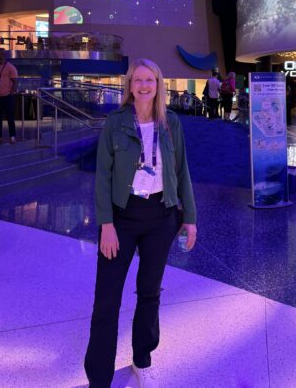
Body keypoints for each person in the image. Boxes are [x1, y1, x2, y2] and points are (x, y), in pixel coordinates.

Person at [85, 59, 197, 388]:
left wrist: (189, 217)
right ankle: (99, 378)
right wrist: (106, 224)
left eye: (150, 79)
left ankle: (142, 359)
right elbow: (102, 177)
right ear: (130, 85)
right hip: (122, 217)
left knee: (149, 292)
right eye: (138, 80)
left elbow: (182, 171)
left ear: (159, 84)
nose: (144, 85)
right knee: (107, 299)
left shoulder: (171, 123)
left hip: (162, 216)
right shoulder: (115, 122)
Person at [0, 48, 18, 144]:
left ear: (3, 55)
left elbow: (15, 82)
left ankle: (12, 136)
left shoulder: (10, 67)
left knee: (10, 117)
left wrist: (11, 93)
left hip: (7, 96)